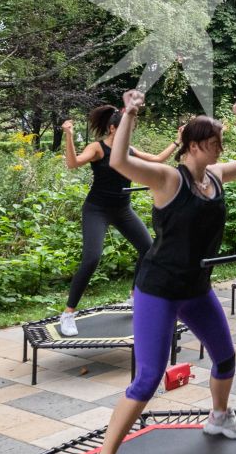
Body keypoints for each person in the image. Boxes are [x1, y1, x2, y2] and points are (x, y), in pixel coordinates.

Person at [82, 93, 236, 454]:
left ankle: (218, 417)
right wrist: (129, 114)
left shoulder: (213, 176)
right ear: (196, 144)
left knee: (226, 357)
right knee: (148, 378)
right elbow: (119, 161)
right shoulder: (168, 179)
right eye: (216, 140)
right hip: (157, 291)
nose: (221, 146)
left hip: (196, 289)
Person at [57, 106, 171, 336]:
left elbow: (157, 159)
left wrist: (178, 141)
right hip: (96, 210)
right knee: (92, 258)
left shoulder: (128, 149)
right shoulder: (97, 148)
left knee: (148, 248)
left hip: (122, 210)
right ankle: (68, 313)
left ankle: (134, 298)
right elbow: (72, 163)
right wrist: (68, 135)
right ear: (112, 128)